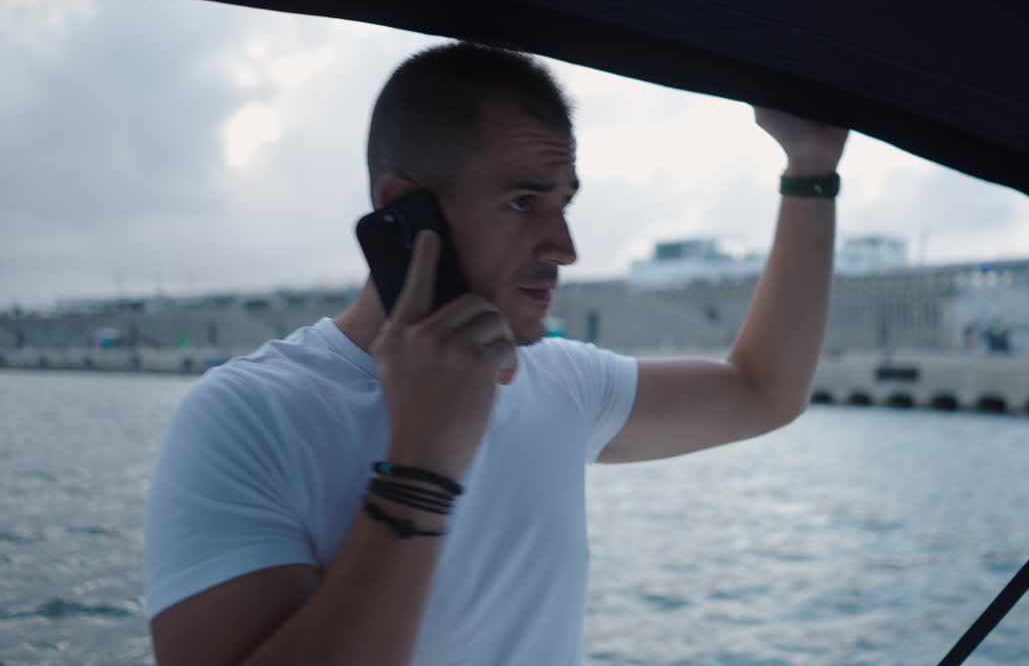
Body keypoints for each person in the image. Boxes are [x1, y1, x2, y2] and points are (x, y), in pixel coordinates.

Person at [144, 42, 849, 665]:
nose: (564, 248)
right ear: (405, 209)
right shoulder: (248, 415)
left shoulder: (561, 381)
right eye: (522, 203)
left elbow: (763, 390)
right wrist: (420, 467)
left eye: (565, 203)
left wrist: (810, 166)